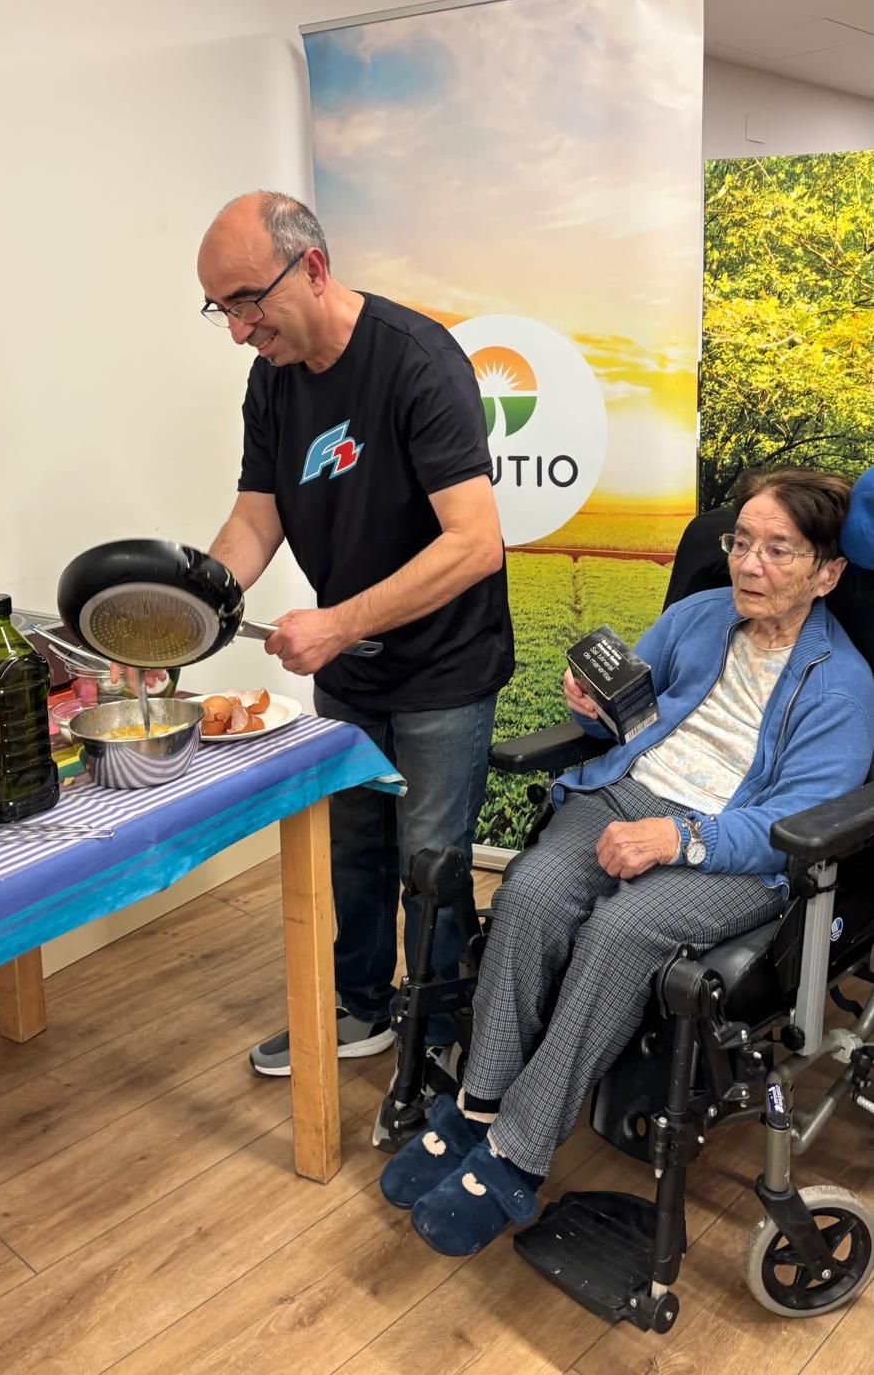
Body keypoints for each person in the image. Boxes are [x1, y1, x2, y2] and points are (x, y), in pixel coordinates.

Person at [379, 467, 874, 1256]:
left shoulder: (842, 685)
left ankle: (518, 1151)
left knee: (622, 931)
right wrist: (597, 710)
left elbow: (792, 819)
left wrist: (680, 840)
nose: (749, 565)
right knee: (531, 891)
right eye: (741, 543)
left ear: (828, 571)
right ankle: (479, 1103)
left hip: (729, 849)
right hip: (623, 799)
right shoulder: (699, 615)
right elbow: (635, 715)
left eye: (779, 551)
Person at [197, 191, 514, 1091]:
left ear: (315, 268)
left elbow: (474, 543)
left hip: (446, 666)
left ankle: (446, 1027)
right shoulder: (272, 379)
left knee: (432, 858)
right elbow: (254, 519)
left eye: (248, 302)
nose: (237, 330)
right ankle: (364, 1010)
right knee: (358, 847)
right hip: (353, 669)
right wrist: (194, 603)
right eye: (223, 309)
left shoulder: (418, 362)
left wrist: (335, 623)